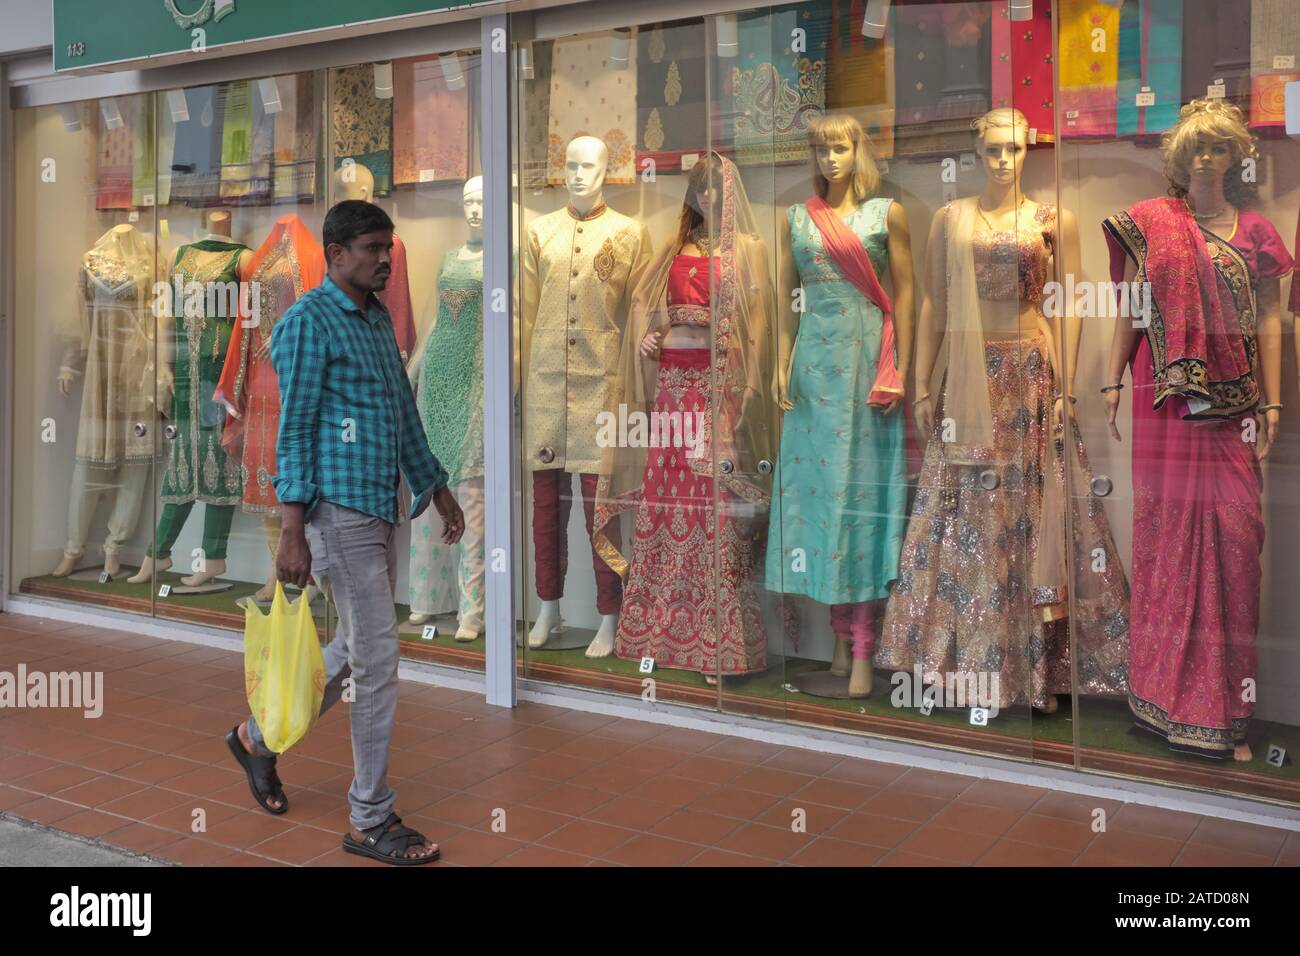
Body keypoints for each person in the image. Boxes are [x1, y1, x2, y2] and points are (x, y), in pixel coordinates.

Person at [224, 199, 465, 865]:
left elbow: (401, 413)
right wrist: (292, 532)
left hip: (380, 507)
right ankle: (370, 816)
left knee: (358, 650)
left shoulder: (376, 321)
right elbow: (293, 428)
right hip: (337, 515)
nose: (385, 258)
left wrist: (436, 486)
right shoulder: (307, 322)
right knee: (380, 661)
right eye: (370, 248)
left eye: (387, 247)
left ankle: (256, 739)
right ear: (335, 255)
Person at [1102, 99, 1292, 761]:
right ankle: (1163, 703)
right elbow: (1132, 309)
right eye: (1196, 149)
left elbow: (1271, 320)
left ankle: (1224, 714)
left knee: (1236, 547)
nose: (1206, 159)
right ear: (1178, 158)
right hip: (1165, 404)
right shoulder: (1153, 226)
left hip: (1233, 409)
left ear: (1237, 154)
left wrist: (1270, 404)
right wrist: (1109, 379)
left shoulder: (1259, 232)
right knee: (1167, 539)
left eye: (1218, 148)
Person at [591, 152, 777, 683]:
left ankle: (718, 647)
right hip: (672, 391)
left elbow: (757, 328)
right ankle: (658, 634)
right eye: (701, 189)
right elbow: (650, 316)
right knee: (667, 504)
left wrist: (740, 391)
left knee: (713, 510)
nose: (710, 198)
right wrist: (652, 337)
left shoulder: (748, 251)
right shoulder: (674, 248)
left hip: (717, 392)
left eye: (718, 188)